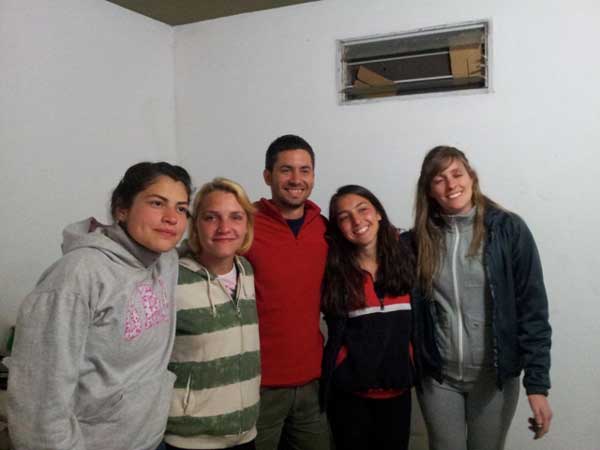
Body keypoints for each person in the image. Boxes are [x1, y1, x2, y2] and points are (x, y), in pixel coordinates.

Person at [6, 162, 192, 450]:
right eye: (157, 203)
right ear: (121, 209)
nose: (171, 218)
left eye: (181, 208)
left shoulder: (165, 260)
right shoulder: (76, 277)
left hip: (151, 440)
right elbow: (38, 404)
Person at [410, 146, 553, 450]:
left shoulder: (508, 230)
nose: (451, 185)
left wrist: (537, 385)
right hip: (439, 378)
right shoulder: (417, 241)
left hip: (494, 380)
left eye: (457, 174)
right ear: (429, 191)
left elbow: (533, 309)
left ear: (471, 177)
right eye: (439, 179)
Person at [244, 135, 330, 450]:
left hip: (312, 380)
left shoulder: (325, 228)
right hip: (258, 384)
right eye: (286, 170)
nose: (296, 179)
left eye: (304, 170)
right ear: (267, 176)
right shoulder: (244, 224)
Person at [164, 178, 260, 450]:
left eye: (236, 217)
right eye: (211, 217)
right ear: (195, 224)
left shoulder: (246, 270)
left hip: (245, 434)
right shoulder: (171, 277)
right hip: (190, 439)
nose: (224, 228)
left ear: (247, 225)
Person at [320, 185, 415, 450]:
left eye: (363, 209)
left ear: (379, 213)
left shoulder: (408, 256)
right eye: (344, 217)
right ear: (338, 228)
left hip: (399, 392)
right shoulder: (334, 270)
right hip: (349, 396)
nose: (356, 220)